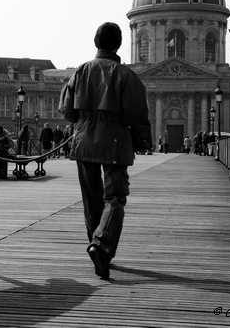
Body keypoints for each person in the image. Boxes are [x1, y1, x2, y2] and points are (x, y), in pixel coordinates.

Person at [59, 22, 151, 280]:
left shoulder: (80, 71)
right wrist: (143, 141)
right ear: (119, 44)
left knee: (91, 198)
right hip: (115, 142)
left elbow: (66, 110)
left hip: (83, 141)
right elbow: (138, 114)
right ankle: (101, 246)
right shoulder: (126, 76)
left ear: (96, 42)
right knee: (115, 198)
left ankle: (97, 247)